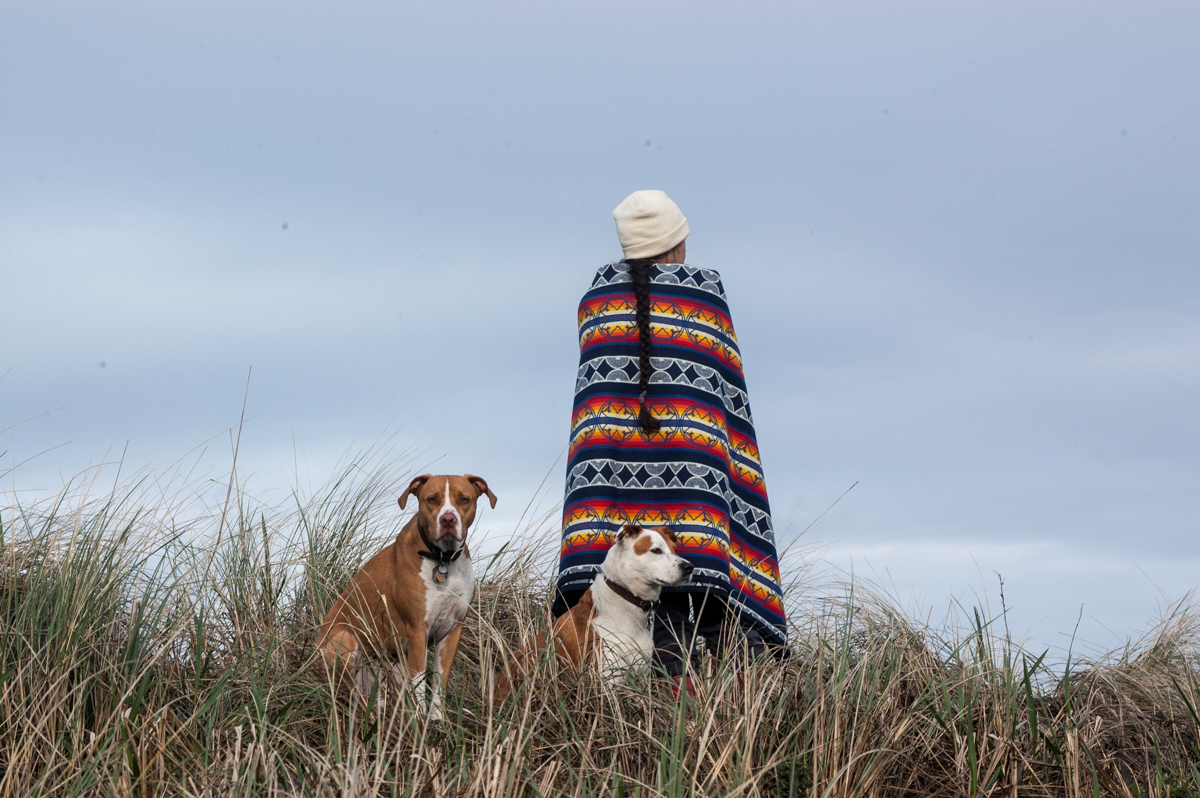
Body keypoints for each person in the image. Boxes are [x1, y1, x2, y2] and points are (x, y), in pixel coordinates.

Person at [553, 189, 787, 684]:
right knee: (703, 608)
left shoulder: (597, 300)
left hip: (607, 490)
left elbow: (595, 404)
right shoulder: (704, 297)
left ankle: (645, 705)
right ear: (676, 244)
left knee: (634, 615)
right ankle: (719, 706)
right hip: (694, 488)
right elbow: (727, 400)